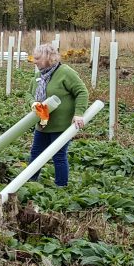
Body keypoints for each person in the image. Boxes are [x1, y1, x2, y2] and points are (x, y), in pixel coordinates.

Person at [28, 43, 88, 188]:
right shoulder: (39, 75)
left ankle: (61, 187)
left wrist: (79, 114)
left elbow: (82, 92)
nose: (34, 61)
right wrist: (33, 103)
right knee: (36, 154)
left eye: (37, 58)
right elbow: (29, 93)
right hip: (42, 124)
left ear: (48, 58)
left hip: (61, 126)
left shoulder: (65, 72)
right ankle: (30, 183)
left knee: (59, 156)